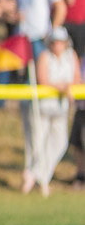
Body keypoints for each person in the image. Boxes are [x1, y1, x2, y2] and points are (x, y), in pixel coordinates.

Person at [24, 27, 77, 198]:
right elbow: (43, 79)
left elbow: (76, 79)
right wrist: (62, 86)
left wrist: (68, 87)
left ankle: (36, 175)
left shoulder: (71, 56)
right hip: (43, 107)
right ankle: (39, 180)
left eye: (60, 42)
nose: (58, 45)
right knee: (38, 143)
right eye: (55, 41)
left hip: (60, 109)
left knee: (60, 142)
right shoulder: (45, 56)